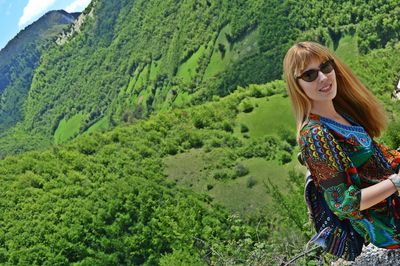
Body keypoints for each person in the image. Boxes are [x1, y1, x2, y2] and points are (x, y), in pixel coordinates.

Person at [283, 41, 400, 250]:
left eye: (326, 67)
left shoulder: (341, 113)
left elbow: (376, 158)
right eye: (309, 75)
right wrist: (396, 183)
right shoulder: (315, 136)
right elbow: (345, 205)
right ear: (297, 85)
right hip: (387, 223)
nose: (323, 77)